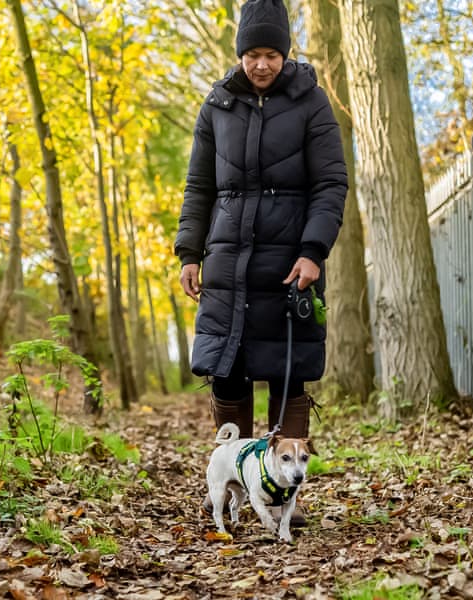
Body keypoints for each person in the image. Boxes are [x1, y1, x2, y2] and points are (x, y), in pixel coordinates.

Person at [174, 0, 347, 519]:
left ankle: (283, 495)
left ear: (285, 54)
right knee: (227, 373)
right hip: (226, 265)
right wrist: (189, 251)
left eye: (272, 53)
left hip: (291, 265)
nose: (262, 64)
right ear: (241, 54)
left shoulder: (312, 103)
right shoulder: (217, 105)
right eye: (253, 54)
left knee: (288, 374)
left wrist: (313, 252)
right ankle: (233, 482)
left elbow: (331, 184)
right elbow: (199, 185)